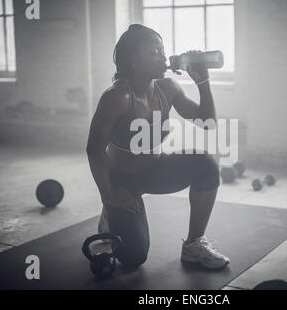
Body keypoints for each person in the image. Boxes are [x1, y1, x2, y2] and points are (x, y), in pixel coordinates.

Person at [86, 24, 229, 270]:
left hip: (155, 169)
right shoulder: (117, 97)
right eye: (154, 52)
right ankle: (109, 214)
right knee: (134, 257)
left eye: (163, 50)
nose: (164, 57)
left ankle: (194, 245)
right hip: (123, 180)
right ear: (133, 60)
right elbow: (94, 149)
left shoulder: (168, 87)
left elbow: (207, 122)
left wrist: (202, 81)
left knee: (205, 163)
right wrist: (108, 193)